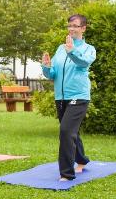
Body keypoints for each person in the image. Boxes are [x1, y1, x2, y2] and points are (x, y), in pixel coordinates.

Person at [41, 14, 96, 181]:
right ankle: (82, 160)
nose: (71, 28)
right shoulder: (60, 48)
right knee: (71, 132)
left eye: (75, 25)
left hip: (79, 96)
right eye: (69, 26)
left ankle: (66, 173)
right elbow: (53, 74)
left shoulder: (89, 49)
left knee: (65, 131)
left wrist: (72, 52)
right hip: (61, 98)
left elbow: (83, 63)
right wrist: (46, 67)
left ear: (83, 28)